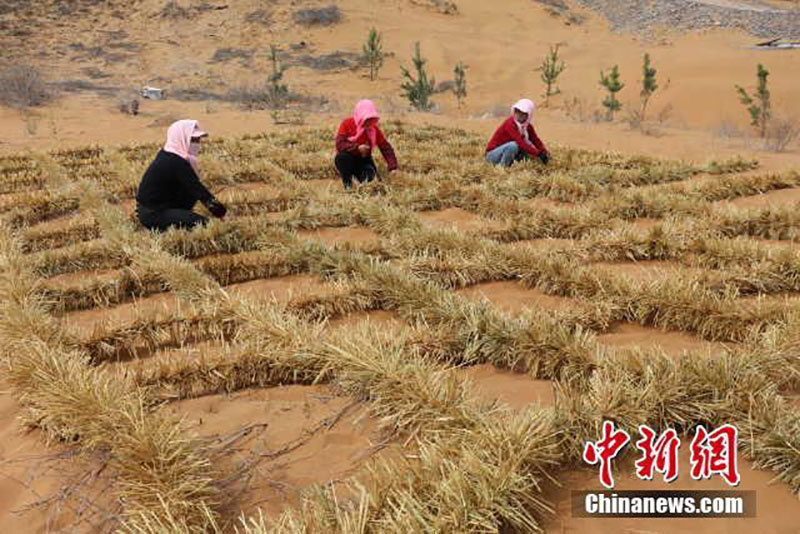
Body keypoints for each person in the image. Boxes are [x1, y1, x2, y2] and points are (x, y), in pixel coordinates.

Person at [136, 120, 227, 232]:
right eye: (193, 140)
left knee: (190, 191)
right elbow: (199, 191)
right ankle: (166, 226)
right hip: (154, 213)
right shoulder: (174, 161)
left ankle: (178, 217)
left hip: (163, 206)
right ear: (181, 138)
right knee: (204, 224)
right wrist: (221, 213)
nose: (197, 144)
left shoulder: (170, 154)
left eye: (198, 140)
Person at [334, 100, 398, 189]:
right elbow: (339, 144)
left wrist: (392, 167)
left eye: (371, 119)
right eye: (366, 119)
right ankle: (347, 185)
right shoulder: (347, 124)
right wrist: (357, 148)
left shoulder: (374, 129)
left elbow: (385, 147)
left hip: (364, 160)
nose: (368, 122)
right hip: (348, 158)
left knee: (370, 179)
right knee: (342, 158)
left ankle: (362, 181)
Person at [485, 99, 550, 168]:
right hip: (492, 155)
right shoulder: (510, 124)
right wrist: (538, 153)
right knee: (514, 145)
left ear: (528, 115)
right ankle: (503, 167)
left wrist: (544, 152)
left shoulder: (527, 127)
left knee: (526, 152)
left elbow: (535, 140)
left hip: (506, 152)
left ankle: (513, 165)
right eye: (517, 111)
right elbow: (520, 142)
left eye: (523, 113)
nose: (519, 114)